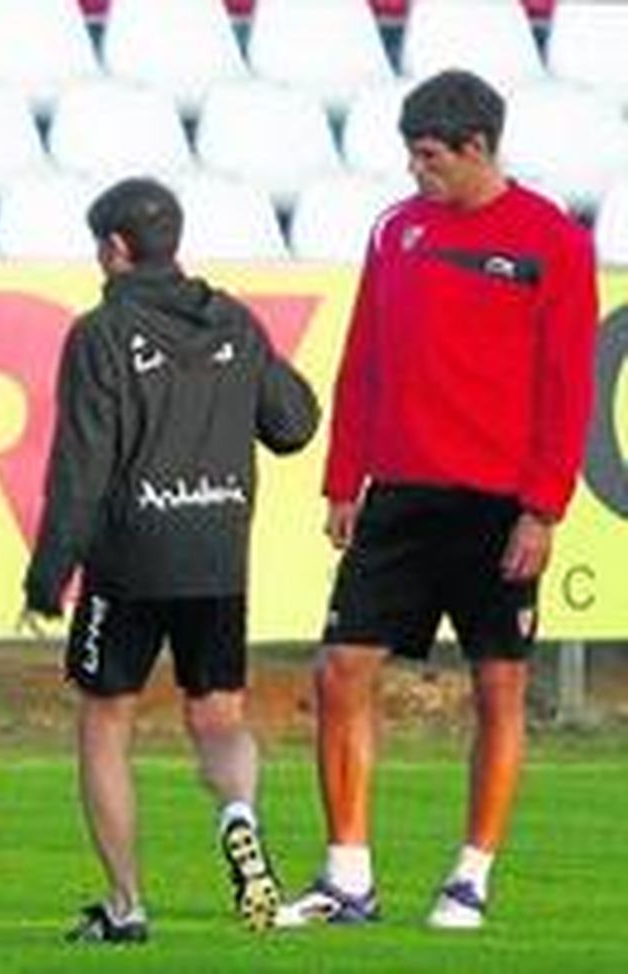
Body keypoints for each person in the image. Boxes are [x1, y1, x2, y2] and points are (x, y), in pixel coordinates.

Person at [275, 70, 599, 932]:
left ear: (477, 149)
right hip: (400, 496)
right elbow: (363, 358)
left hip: (500, 504)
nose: (418, 173)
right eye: (411, 157)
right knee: (340, 669)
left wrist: (543, 509)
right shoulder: (397, 231)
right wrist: (344, 478)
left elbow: (569, 388)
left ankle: (470, 877)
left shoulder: (553, 242)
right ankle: (348, 876)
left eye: (429, 159)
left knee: (497, 685)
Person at [21, 177, 320, 943]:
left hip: (131, 557)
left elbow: (82, 465)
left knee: (105, 720)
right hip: (219, 552)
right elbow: (293, 424)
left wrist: (49, 572)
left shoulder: (100, 332)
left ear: (115, 249)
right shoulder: (232, 318)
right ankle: (240, 818)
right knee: (218, 713)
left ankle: (125, 906)